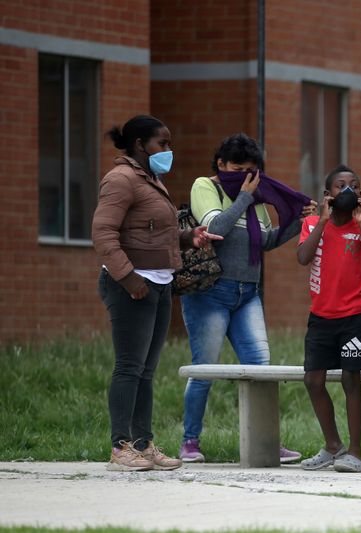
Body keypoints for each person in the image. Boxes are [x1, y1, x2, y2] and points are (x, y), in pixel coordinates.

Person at [92, 115, 221, 471]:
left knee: (146, 370)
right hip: (133, 285)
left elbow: (147, 230)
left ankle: (143, 443)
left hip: (161, 282)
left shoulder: (150, 179)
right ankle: (120, 448)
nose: (168, 150)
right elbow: (104, 234)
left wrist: (186, 237)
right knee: (129, 367)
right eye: (161, 144)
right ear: (139, 145)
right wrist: (131, 281)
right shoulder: (120, 180)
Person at [179, 133, 316, 464]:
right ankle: (190, 441)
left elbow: (266, 241)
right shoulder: (206, 187)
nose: (244, 176)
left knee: (261, 369)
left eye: (250, 171)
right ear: (221, 164)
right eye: (237, 168)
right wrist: (243, 197)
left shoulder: (254, 201)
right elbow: (217, 229)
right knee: (205, 368)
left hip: (247, 294)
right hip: (210, 293)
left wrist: (297, 223)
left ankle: (266, 441)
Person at [296, 164, 361, 473]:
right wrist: (321, 219)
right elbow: (303, 257)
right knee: (313, 379)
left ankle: (355, 452)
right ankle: (333, 445)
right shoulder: (311, 223)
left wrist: (360, 225)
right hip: (321, 316)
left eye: (354, 186)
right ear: (326, 196)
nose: (347, 190)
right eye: (340, 186)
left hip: (356, 316)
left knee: (350, 378)